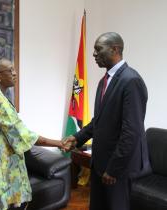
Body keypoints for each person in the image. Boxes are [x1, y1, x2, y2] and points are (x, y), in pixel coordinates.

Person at [63, 32, 151, 210]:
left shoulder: (131, 80)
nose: (94, 54)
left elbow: (131, 132)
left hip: (118, 168)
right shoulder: (104, 81)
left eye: (98, 49)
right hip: (101, 162)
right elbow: (100, 120)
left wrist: (114, 168)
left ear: (115, 49)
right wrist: (77, 137)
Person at [0, 51, 65, 210]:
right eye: (10, 70)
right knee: (0, 203)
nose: (15, 73)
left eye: (14, 69)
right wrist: (59, 143)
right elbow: (23, 135)